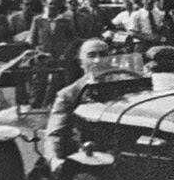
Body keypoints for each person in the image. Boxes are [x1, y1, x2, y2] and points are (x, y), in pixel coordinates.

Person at [43, 39, 121, 169]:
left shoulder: (126, 85)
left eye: (103, 55)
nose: (98, 60)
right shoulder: (69, 94)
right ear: (81, 63)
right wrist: (54, 160)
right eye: (91, 55)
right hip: (93, 155)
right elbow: (55, 133)